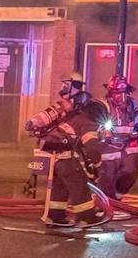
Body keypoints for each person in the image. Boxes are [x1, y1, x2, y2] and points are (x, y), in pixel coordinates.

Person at [28, 73, 105, 230]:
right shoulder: (86, 122)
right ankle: (87, 218)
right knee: (79, 186)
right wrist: (98, 164)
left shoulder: (66, 117)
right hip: (68, 160)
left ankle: (55, 216)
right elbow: (92, 147)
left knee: (59, 188)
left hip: (52, 159)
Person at [96, 74, 138, 197]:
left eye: (124, 92)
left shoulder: (133, 104)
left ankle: (117, 198)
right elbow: (96, 126)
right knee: (108, 177)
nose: (122, 96)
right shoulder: (103, 105)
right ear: (110, 91)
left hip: (130, 145)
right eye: (117, 92)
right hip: (109, 145)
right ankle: (106, 205)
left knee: (131, 172)